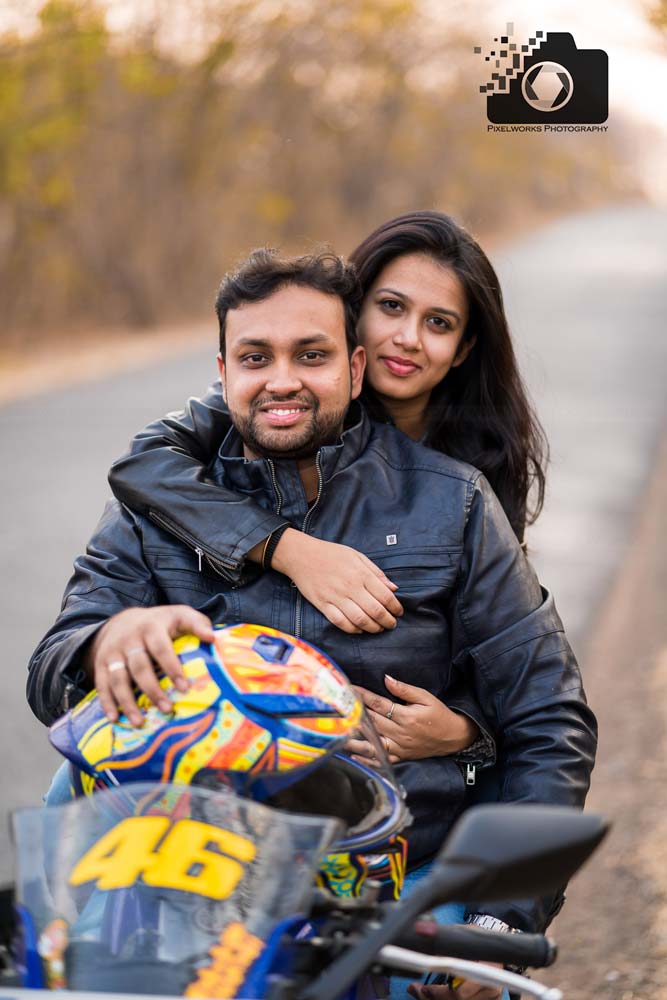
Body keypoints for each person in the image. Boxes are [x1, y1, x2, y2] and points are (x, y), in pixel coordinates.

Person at [28, 249, 596, 1000]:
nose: (283, 379)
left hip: (390, 889)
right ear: (222, 371)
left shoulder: (455, 504)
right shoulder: (153, 507)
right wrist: (104, 644)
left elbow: (548, 721)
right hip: (167, 883)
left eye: (313, 355)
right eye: (255, 356)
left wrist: (498, 927)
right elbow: (52, 671)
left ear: (355, 370)